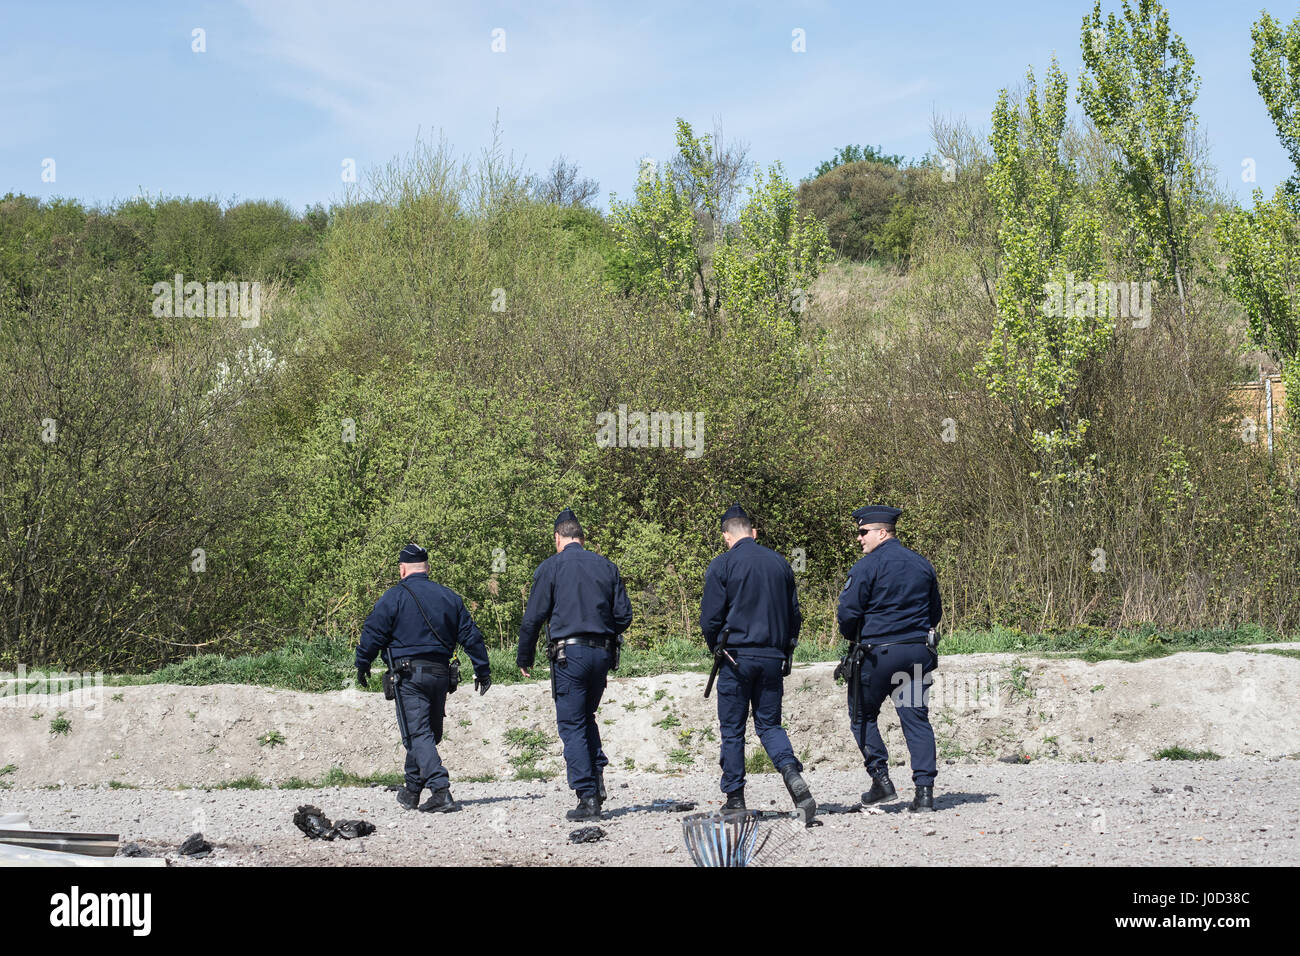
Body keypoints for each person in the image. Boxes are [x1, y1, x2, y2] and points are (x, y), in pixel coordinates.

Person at [699, 503, 816, 821]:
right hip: (772, 658)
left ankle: (735, 799)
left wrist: (717, 649)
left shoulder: (722, 565)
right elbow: (795, 616)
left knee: (733, 729)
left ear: (726, 535)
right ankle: (793, 777)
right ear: (753, 532)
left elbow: (710, 619)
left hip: (735, 657)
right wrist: (786, 649)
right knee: (769, 725)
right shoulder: (781, 563)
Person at [356, 543, 492, 813]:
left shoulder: (394, 597)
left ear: (402, 569)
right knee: (427, 735)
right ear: (427, 568)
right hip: (441, 675)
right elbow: (471, 636)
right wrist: (482, 669)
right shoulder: (449, 597)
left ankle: (440, 790)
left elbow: (373, 633)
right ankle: (411, 790)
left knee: (417, 734)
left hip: (409, 676)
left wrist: (362, 663)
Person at [517, 509, 632, 821]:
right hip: (602, 653)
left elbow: (533, 618)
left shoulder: (551, 567)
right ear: (582, 537)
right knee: (586, 716)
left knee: (571, 723)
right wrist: (602, 630)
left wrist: (524, 656)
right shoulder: (607, 566)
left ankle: (587, 796)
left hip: (570, 655)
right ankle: (596, 779)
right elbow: (624, 616)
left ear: (558, 538)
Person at [836, 505, 942, 812]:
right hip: (916, 652)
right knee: (916, 719)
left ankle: (881, 781)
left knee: (861, 715)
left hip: (878, 655)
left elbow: (847, 613)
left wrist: (854, 636)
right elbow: (934, 612)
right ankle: (924, 793)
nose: (859, 539)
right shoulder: (922, 564)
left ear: (882, 532)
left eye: (862, 532)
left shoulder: (867, 567)